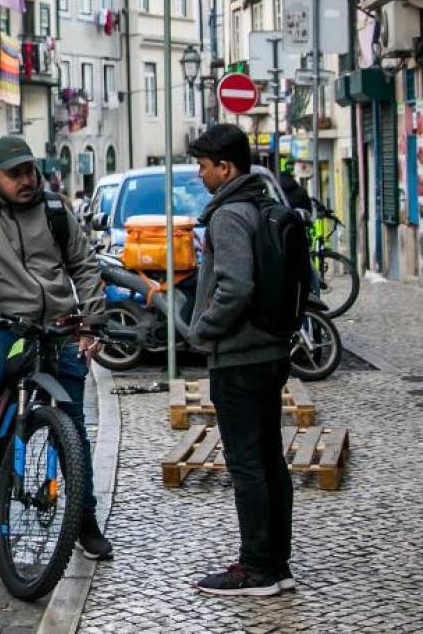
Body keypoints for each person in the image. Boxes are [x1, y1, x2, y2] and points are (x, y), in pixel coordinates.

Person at [0, 135, 112, 558]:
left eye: (30, 171)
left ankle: (84, 517)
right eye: (15, 173)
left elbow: (84, 265)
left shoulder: (55, 210)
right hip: (2, 321)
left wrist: (91, 323)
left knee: (72, 425)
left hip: (58, 324)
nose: (26, 180)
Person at [187, 124, 296, 597]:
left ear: (225, 167)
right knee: (270, 458)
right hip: (270, 351)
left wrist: (201, 330)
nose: (200, 174)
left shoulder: (229, 215)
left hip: (238, 357)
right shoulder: (263, 204)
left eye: (204, 165)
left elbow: (234, 287)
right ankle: (277, 563)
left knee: (248, 463)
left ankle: (255, 569)